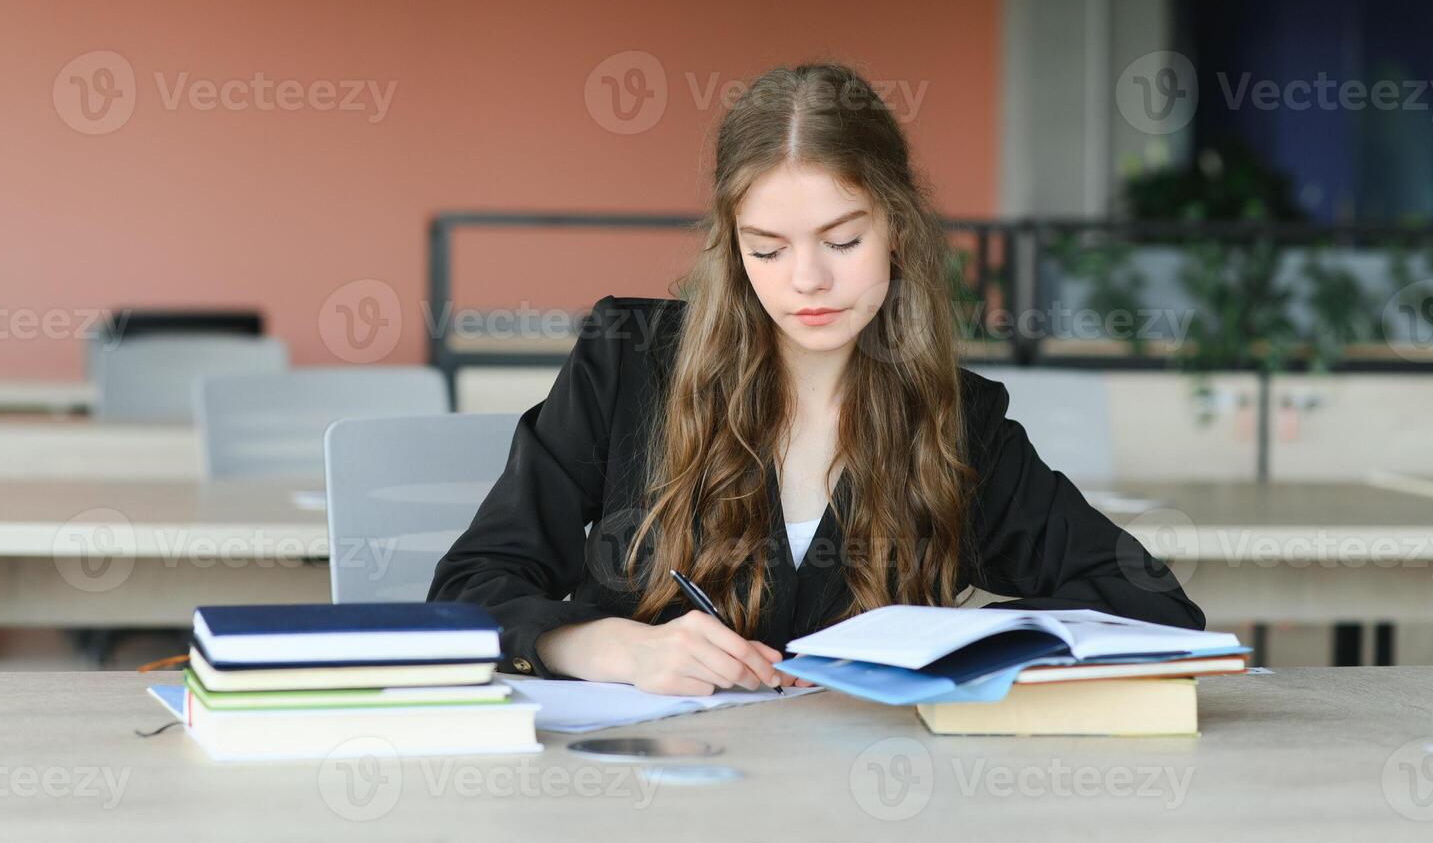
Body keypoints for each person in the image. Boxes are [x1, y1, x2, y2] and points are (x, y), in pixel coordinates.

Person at [427, 63, 1203, 696]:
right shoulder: (627, 363)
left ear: (895, 228)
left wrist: (955, 647)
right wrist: (612, 648)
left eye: (842, 240)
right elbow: (472, 586)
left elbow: (1149, 605)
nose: (807, 280)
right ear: (731, 248)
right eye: (766, 249)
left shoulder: (957, 420)